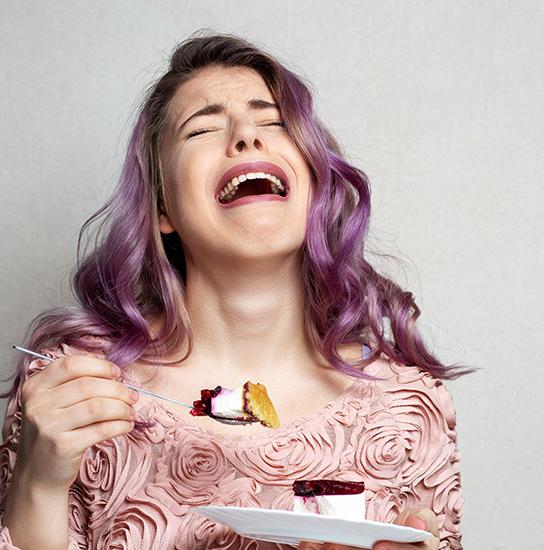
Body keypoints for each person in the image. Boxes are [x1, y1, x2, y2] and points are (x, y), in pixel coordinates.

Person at [0, 34, 466, 550]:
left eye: (273, 121)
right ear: (163, 210)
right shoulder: (70, 395)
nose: (246, 136)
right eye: (202, 128)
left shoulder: (408, 407)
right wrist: (38, 484)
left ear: (315, 182)